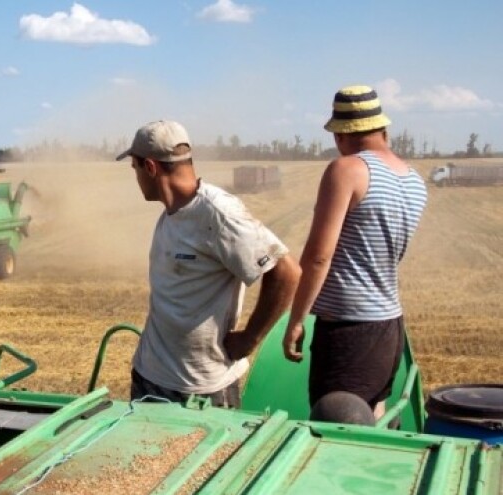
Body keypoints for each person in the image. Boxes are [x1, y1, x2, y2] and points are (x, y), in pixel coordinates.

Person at [116, 120, 300, 408]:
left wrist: (250, 339)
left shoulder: (218, 214)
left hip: (201, 391)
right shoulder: (170, 215)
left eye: (135, 168)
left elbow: (286, 271)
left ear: (150, 168)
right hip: (150, 378)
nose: (136, 177)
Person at [283, 85, 427, 419]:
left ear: (341, 135)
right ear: (383, 130)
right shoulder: (413, 179)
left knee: (336, 428)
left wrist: (296, 319)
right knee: (370, 423)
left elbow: (319, 255)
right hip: (389, 326)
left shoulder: (346, 169)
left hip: (349, 330)